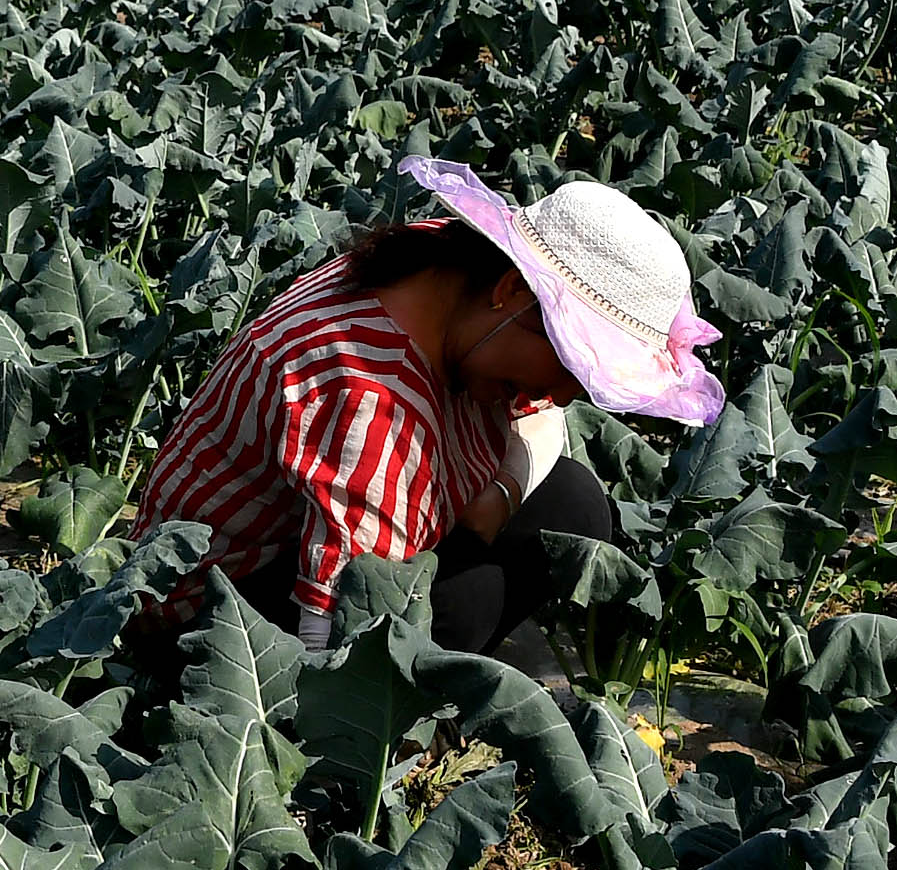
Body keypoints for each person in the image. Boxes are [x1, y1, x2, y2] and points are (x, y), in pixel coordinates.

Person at [136, 157, 724, 656]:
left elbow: (546, 424)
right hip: (208, 617)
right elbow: (335, 617)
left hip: (304, 555)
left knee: (572, 505)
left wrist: (498, 498)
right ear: (512, 293)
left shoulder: (442, 266)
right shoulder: (366, 393)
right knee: (464, 600)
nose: (568, 393)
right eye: (573, 363)